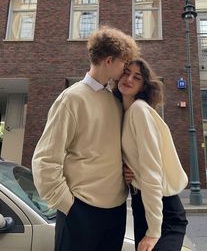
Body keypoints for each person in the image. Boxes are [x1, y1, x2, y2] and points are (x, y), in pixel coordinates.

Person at [32, 26, 140, 251]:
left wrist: (125, 168)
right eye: (124, 63)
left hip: (116, 212)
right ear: (109, 61)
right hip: (80, 212)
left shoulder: (115, 101)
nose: (125, 69)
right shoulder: (71, 99)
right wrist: (69, 206)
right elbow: (44, 160)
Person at [114, 58, 188, 251]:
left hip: (163, 210)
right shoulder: (124, 112)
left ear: (143, 86)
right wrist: (125, 167)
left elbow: (152, 170)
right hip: (142, 205)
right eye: (126, 72)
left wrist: (154, 231)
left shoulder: (139, 110)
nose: (129, 79)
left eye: (136, 77)